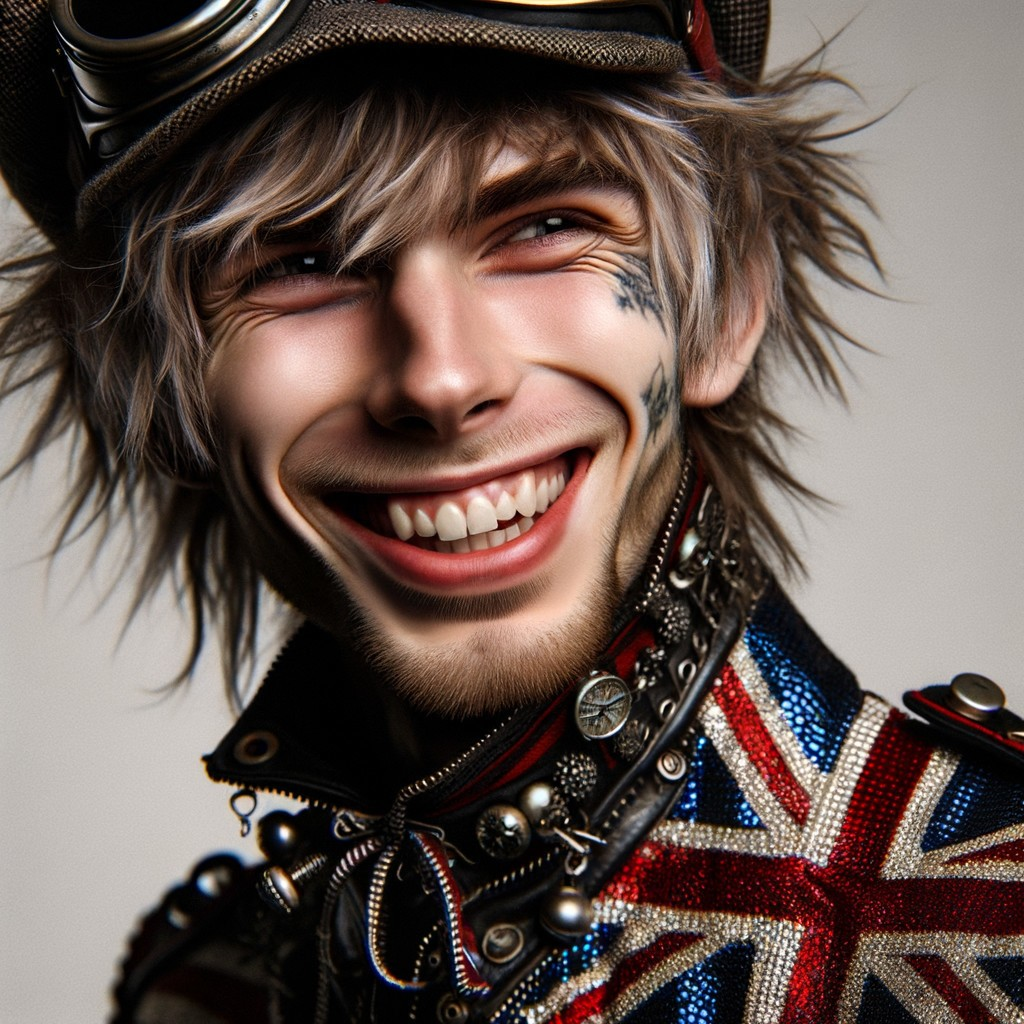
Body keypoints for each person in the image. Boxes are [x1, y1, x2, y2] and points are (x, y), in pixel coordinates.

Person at [1, 0, 1022, 1021]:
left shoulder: (995, 942)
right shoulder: (207, 992)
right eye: (295, 261)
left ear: (723, 303)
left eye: (545, 225)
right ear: (156, 396)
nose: (442, 379)